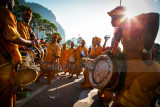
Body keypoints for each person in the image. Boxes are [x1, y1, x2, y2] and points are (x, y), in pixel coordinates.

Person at [108, 6, 160, 107]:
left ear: (119, 15)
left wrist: (146, 50)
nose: (111, 20)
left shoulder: (133, 20)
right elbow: (114, 50)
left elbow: (155, 17)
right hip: (133, 68)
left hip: (142, 70)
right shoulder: (120, 30)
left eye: (112, 17)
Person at [0, 0, 40, 106]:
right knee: (6, 90)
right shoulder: (15, 21)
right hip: (14, 53)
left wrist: (33, 39)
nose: (28, 17)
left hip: (25, 50)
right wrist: (30, 43)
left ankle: (22, 86)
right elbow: (14, 37)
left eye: (29, 15)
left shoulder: (29, 28)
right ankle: (18, 88)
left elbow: (32, 39)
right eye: (26, 15)